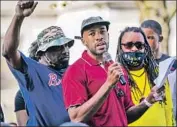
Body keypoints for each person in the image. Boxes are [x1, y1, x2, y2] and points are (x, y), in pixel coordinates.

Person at [62, 16, 164, 126]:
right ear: (83, 41)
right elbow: (76, 118)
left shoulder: (117, 68)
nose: (99, 37)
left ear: (108, 36)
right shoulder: (75, 71)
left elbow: (126, 115)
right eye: (92, 34)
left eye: (102, 32)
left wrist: (147, 102)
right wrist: (108, 84)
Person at [2, 0, 75, 126]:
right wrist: (18, 18)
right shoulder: (33, 71)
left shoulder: (75, 71)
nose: (65, 50)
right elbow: (8, 52)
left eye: (66, 45)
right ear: (41, 54)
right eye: (57, 47)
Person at [116, 26, 175, 126]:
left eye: (139, 45)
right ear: (120, 48)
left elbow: (168, 109)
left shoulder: (159, 73)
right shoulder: (115, 77)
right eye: (129, 45)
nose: (134, 49)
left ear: (145, 48)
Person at [140, 19, 176, 122]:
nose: (145, 42)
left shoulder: (171, 64)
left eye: (150, 38)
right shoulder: (137, 65)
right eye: (143, 38)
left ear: (160, 38)